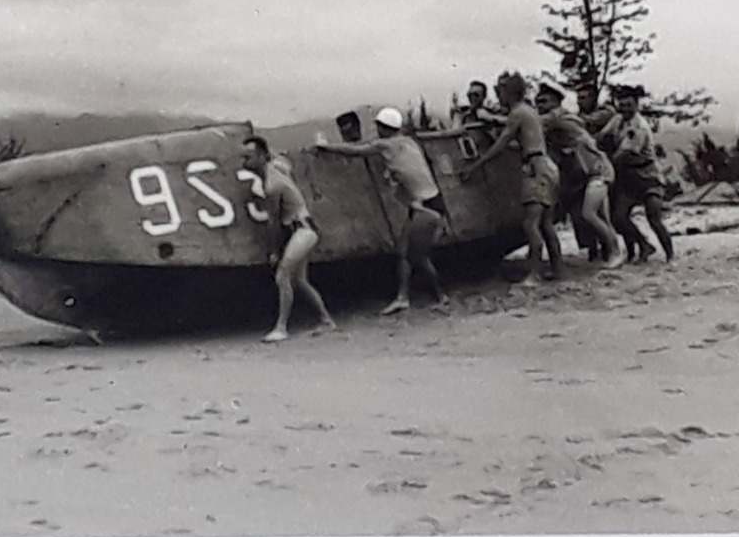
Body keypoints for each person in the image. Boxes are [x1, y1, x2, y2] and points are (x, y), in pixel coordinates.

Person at [316, 107, 449, 314]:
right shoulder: (408, 141)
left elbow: (355, 151)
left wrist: (326, 146)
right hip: (428, 202)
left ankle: (440, 295)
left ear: (383, 127)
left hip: (423, 206)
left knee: (417, 256)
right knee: (404, 252)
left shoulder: (384, 144)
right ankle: (403, 296)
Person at [461, 72, 564, 284]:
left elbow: (501, 145)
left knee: (530, 224)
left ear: (509, 92)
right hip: (547, 167)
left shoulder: (518, 113)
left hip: (535, 168)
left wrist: (475, 166)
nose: (498, 96)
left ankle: (534, 274)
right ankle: (558, 269)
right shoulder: (529, 111)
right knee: (546, 224)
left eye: (501, 91)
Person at [241, 136, 337, 343]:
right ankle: (326, 319)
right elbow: (280, 159)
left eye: (248, 157)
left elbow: (273, 222)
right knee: (300, 280)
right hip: (304, 228)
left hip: (301, 230)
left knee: (283, 275)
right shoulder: (278, 166)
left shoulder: (271, 186)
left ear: (260, 157)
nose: (244, 162)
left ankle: (281, 327)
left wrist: (274, 251)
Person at [537, 81, 624, 268]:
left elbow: (530, 123)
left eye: (544, 101)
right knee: (601, 216)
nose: (540, 105)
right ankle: (613, 252)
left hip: (597, 170)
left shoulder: (555, 117)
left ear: (555, 101)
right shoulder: (563, 118)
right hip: (596, 169)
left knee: (589, 214)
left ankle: (616, 253)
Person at [599, 87, 674, 264]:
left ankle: (670, 255)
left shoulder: (639, 127)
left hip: (648, 177)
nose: (624, 108)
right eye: (621, 104)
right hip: (629, 177)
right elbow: (602, 136)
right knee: (619, 218)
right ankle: (643, 244)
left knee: (654, 217)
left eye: (628, 105)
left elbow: (624, 153)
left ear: (636, 105)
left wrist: (605, 161)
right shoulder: (617, 120)